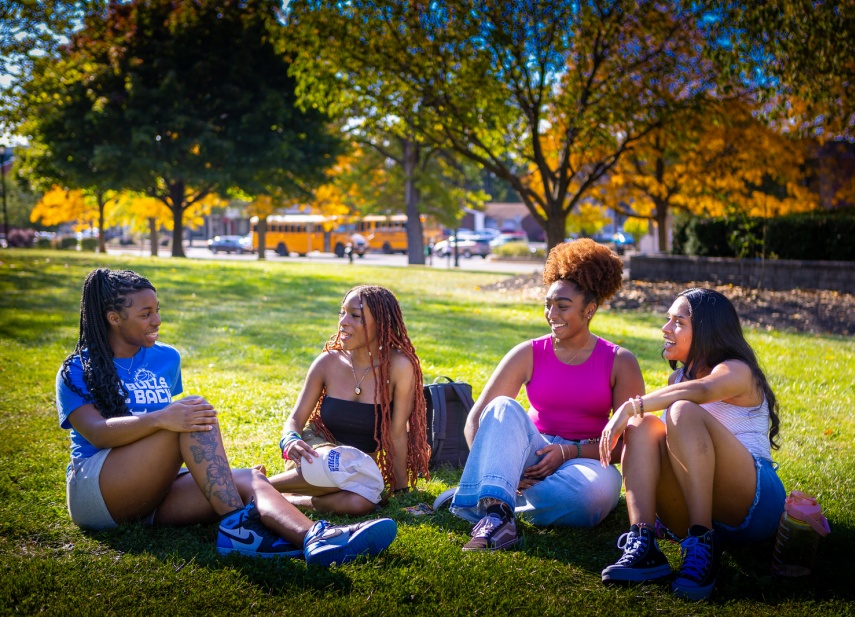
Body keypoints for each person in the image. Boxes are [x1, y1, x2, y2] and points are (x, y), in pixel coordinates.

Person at [56, 268, 397, 566]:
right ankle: (239, 528)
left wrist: (171, 419)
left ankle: (317, 538)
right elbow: (98, 434)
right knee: (191, 412)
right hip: (97, 494)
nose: (157, 320)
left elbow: (167, 438)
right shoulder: (76, 369)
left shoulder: (165, 358)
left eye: (157, 310)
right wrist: (164, 418)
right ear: (114, 318)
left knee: (250, 479)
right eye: (145, 314)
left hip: (152, 493)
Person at [448, 238, 645, 550]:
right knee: (501, 407)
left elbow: (630, 446)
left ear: (589, 309)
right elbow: (477, 421)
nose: (552, 314)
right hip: (533, 453)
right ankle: (499, 513)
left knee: (591, 499)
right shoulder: (528, 352)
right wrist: (506, 465)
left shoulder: (620, 361)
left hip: (589, 459)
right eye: (548, 305)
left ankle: (492, 493)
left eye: (563, 307)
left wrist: (568, 454)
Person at [598, 287, 785, 601]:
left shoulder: (737, 370)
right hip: (700, 500)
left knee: (679, 409)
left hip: (755, 503)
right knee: (642, 426)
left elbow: (701, 392)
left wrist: (631, 405)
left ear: (707, 332)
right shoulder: (678, 379)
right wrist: (635, 414)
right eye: (668, 320)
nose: (666, 329)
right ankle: (643, 543)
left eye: (679, 322)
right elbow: (675, 400)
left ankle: (702, 542)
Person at [269, 284, 430, 515]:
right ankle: (256, 484)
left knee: (361, 503)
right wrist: (290, 441)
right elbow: (295, 419)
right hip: (316, 454)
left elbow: (397, 433)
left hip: (357, 469)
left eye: (355, 316)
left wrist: (401, 489)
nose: (343, 321)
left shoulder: (399, 367)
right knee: (333, 462)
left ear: (381, 325)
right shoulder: (327, 362)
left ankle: (286, 498)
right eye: (342, 313)